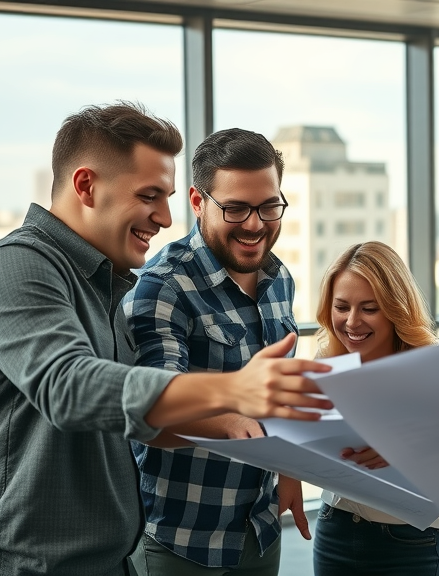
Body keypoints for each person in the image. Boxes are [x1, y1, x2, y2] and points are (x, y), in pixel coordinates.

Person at [0, 104, 331, 576]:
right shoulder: (15, 265)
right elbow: (71, 388)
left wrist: (260, 431)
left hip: (113, 561)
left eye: (166, 197)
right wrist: (233, 391)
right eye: (150, 195)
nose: (166, 219)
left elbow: (141, 422)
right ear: (86, 186)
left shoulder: (108, 285)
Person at [124, 127, 308, 576]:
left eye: (269, 206)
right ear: (196, 200)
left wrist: (289, 470)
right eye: (236, 208)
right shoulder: (162, 287)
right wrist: (229, 419)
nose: (255, 224)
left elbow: (276, 393)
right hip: (182, 537)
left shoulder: (278, 278)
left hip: (260, 528)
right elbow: (151, 406)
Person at [311, 241, 439, 576]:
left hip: (409, 539)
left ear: (395, 308)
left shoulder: (432, 367)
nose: (351, 322)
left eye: (369, 308)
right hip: (335, 528)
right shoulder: (326, 362)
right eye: (341, 307)